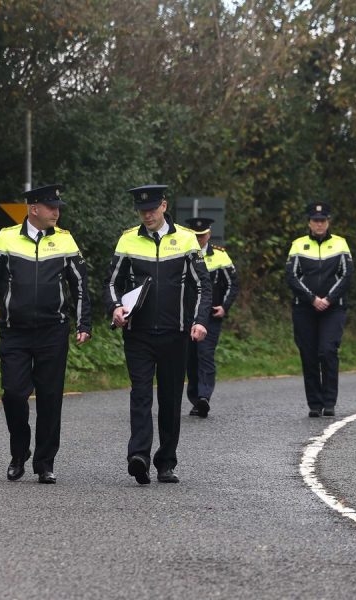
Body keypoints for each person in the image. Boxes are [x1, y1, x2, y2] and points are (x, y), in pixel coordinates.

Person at [0, 184, 92, 484]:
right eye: (51, 207)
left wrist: (83, 324)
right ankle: (18, 452)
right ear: (33, 209)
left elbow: (80, 284)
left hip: (53, 331)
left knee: (50, 398)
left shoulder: (65, 240)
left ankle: (45, 462)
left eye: (58, 207)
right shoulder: (6, 238)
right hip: (16, 332)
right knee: (14, 393)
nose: (57, 212)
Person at [104, 185, 212, 485]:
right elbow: (111, 282)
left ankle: (166, 461)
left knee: (169, 399)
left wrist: (200, 321)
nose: (147, 215)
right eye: (142, 211)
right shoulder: (128, 240)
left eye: (152, 208)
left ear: (164, 206)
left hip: (175, 334)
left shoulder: (187, 239)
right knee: (140, 394)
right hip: (138, 334)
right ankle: (138, 456)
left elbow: (203, 285)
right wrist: (114, 307)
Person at [284, 202, 354, 418]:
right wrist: (312, 299)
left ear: (328, 222)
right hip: (304, 308)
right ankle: (315, 403)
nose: (319, 224)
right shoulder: (298, 245)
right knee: (309, 354)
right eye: (316, 220)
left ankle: (329, 401)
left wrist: (329, 299)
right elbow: (291, 276)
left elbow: (346, 274)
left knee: (327, 351)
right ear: (309, 223)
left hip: (333, 309)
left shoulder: (340, 244)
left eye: (323, 220)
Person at [183, 217, 239, 418]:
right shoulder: (182, 253)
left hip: (211, 316)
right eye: (196, 236)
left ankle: (204, 396)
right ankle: (195, 399)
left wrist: (224, 307)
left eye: (202, 235)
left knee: (204, 354)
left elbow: (233, 284)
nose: (199, 239)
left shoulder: (220, 256)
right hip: (187, 315)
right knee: (190, 358)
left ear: (208, 235)